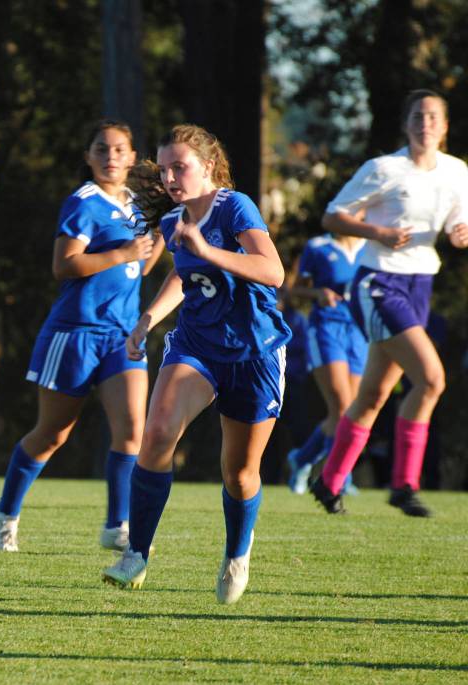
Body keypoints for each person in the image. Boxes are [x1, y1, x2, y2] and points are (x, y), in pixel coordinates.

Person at [101, 124, 291, 605]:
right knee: (157, 432)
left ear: (207, 166)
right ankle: (136, 555)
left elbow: (273, 271)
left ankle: (237, 553)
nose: (169, 178)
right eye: (164, 169)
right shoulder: (174, 221)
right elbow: (185, 278)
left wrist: (209, 250)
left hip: (254, 351)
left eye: (179, 167)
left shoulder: (235, 207)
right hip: (197, 346)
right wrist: (148, 319)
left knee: (240, 474)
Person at [0, 119, 162, 553]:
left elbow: (140, 266)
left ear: (132, 157)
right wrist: (122, 251)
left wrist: (160, 233)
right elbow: (64, 265)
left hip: (122, 335)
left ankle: (117, 526)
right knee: (52, 433)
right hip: (75, 334)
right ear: (88, 156)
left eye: (119, 149)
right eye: (101, 149)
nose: (111, 157)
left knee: (132, 430)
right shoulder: (83, 202)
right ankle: (6, 512)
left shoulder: (136, 205)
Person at [310, 89, 468, 517]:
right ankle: (404, 484)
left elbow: (459, 222)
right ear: (405, 124)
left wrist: (460, 234)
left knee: (373, 395)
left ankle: (328, 482)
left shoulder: (456, 171)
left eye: (433, 117)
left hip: (420, 284)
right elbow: (332, 216)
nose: (425, 123)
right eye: (418, 116)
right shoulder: (383, 169)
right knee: (431, 379)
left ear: (445, 126)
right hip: (379, 282)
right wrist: (378, 233)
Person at [284, 233, 367, 494]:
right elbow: (294, 289)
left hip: (359, 331)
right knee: (342, 407)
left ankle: (302, 459)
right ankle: (339, 479)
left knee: (349, 411)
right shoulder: (318, 246)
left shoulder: (370, 245)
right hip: (326, 327)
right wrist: (318, 292)